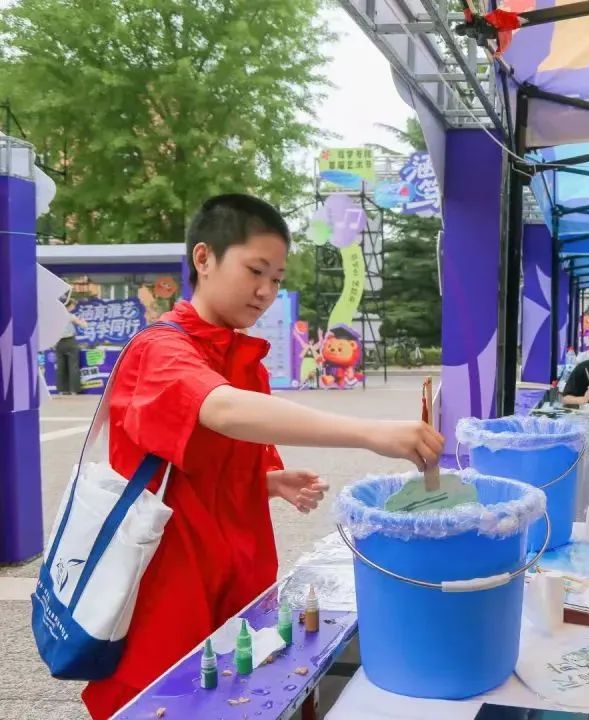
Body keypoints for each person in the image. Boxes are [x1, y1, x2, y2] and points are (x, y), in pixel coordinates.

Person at [80, 194, 444, 719]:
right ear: (204, 258)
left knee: (237, 695)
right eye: (255, 271)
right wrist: (369, 432)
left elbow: (200, 459)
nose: (266, 292)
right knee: (170, 701)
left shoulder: (241, 355)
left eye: (276, 278)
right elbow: (221, 409)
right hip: (171, 588)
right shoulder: (159, 350)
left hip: (237, 578)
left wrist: (265, 481)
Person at [54, 300, 88, 395]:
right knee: (73, 366)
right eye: (73, 305)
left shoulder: (55, 317)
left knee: (61, 367)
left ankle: (62, 389)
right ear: (69, 306)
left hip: (59, 343)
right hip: (70, 342)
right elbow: (84, 326)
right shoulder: (69, 316)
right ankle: (74, 390)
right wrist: (83, 321)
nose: (74, 307)